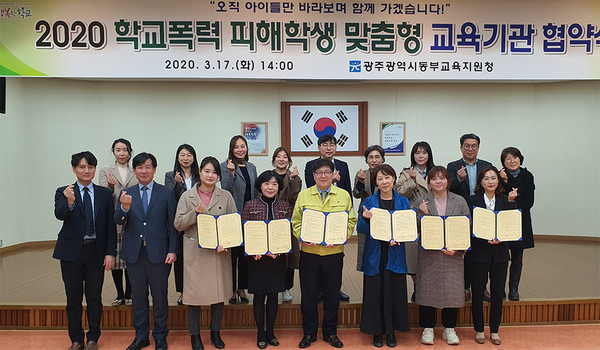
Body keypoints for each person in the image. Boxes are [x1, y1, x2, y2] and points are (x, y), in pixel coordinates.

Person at [53, 151, 116, 350]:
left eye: (90, 167)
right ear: (74, 169)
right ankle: (76, 339)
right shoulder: (63, 191)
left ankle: (93, 338)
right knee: (73, 298)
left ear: (95, 169)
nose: (86, 171)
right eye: (81, 167)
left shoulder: (105, 194)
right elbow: (59, 215)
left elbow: (110, 226)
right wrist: (70, 202)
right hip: (71, 253)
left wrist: (110, 253)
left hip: (95, 252)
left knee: (94, 297)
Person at [115, 153, 178, 350]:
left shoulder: (166, 193)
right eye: (140, 167)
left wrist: (173, 250)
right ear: (134, 170)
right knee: (139, 298)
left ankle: (160, 336)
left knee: (160, 297)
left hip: (159, 253)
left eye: (148, 167)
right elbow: (118, 220)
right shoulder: (127, 193)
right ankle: (141, 336)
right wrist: (124, 209)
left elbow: (172, 225)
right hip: (135, 254)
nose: (144, 171)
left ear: (154, 169)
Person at [292, 158, 357, 349]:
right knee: (309, 294)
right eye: (319, 173)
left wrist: (340, 237)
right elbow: (296, 221)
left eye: (327, 172)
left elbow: (350, 221)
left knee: (332, 294)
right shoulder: (304, 196)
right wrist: (302, 237)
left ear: (333, 174)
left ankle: (330, 333)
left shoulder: (343, 195)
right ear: (313, 176)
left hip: (334, 253)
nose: (323, 176)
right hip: (309, 253)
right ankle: (309, 333)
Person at [174, 156, 236, 350]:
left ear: (219, 176)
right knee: (194, 298)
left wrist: (226, 243)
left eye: (215, 172)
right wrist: (195, 213)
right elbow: (178, 224)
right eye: (207, 171)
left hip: (219, 252)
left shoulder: (226, 196)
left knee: (218, 296)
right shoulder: (187, 196)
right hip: (195, 253)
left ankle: (215, 332)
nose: (210, 175)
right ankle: (195, 335)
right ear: (199, 172)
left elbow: (233, 225)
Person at [413, 166, 470, 346]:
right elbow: (412, 227)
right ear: (429, 182)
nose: (438, 181)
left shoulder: (459, 201)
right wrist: (423, 214)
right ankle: (428, 328)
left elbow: (466, 226)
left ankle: (449, 328)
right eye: (434, 178)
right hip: (429, 253)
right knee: (427, 288)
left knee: (452, 290)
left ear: (447, 181)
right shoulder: (421, 201)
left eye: (442, 178)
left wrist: (458, 248)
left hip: (453, 254)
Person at [358, 164, 410, 348]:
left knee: (393, 292)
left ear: (394, 179)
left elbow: (407, 228)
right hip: (375, 253)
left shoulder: (403, 202)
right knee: (375, 292)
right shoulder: (370, 202)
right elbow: (361, 229)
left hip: (395, 252)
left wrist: (399, 237)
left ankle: (391, 331)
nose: (384, 182)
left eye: (387, 177)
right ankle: (377, 332)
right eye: (380, 179)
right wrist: (366, 218)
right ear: (376, 182)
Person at [242, 170, 292, 349]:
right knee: (258, 296)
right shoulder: (250, 205)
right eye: (266, 184)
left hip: (277, 258)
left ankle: (270, 332)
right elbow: (245, 231)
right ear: (260, 186)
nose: (270, 187)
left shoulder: (284, 206)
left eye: (274, 184)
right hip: (256, 258)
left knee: (273, 296)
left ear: (278, 187)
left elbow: (287, 232)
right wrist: (253, 250)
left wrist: (279, 250)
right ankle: (260, 333)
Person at [469, 166, 517, 345]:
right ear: (480, 182)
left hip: (500, 254)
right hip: (478, 253)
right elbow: (468, 225)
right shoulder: (472, 200)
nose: (490, 181)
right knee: (477, 293)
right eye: (486, 178)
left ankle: (495, 330)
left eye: (493, 178)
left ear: (498, 181)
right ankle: (479, 329)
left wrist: (512, 203)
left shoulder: (506, 200)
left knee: (498, 293)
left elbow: (512, 225)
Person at [303, 134, 352, 302]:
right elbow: (311, 187)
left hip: (337, 218)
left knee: (335, 258)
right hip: (316, 217)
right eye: (325, 144)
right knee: (316, 260)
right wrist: (331, 181)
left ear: (336, 148)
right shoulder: (310, 165)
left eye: (332, 144)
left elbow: (347, 192)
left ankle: (334, 290)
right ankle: (318, 291)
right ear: (319, 148)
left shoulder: (344, 166)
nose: (329, 148)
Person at [446, 133, 493, 300]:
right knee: (464, 250)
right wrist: (459, 178)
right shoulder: (453, 166)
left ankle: (481, 287)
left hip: (483, 214)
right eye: (467, 146)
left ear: (478, 148)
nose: (470, 149)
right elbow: (448, 188)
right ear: (461, 148)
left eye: (474, 146)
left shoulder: (487, 166)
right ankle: (465, 287)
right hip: (460, 214)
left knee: (483, 251)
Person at [99, 138, 137, 307]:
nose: (122, 153)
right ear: (113, 152)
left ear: (130, 152)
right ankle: (119, 294)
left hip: (133, 219)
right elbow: (102, 197)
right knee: (116, 261)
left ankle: (129, 294)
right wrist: (109, 186)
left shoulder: (136, 171)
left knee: (129, 259)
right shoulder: (106, 171)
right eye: (118, 150)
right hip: (113, 221)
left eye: (125, 150)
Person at [396, 141, 435, 302]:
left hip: (433, 216)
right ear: (413, 155)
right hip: (412, 217)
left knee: (431, 253)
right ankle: (416, 287)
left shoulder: (436, 171)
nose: (420, 156)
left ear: (429, 155)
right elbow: (399, 193)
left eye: (424, 152)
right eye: (417, 153)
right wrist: (412, 181)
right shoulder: (406, 173)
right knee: (412, 256)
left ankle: (429, 286)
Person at [220, 135, 257, 304]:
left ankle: (242, 288)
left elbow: (255, 191)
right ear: (231, 149)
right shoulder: (224, 166)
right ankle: (231, 289)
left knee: (244, 256)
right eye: (236, 147)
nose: (240, 149)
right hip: (232, 216)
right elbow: (225, 189)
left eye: (243, 146)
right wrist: (232, 172)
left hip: (249, 217)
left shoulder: (251, 167)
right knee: (231, 256)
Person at [165, 144, 200, 305]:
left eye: (189, 155)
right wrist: (178, 185)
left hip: (198, 222)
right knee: (180, 259)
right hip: (179, 221)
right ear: (177, 157)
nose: (185, 158)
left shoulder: (199, 176)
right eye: (182, 155)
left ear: (193, 157)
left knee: (196, 258)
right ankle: (182, 291)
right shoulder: (170, 176)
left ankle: (196, 289)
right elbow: (169, 199)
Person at [499, 147, 535, 301]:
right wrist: (506, 183)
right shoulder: (499, 176)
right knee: (501, 258)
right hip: (503, 221)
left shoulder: (527, 176)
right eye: (508, 158)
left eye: (515, 157)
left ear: (520, 159)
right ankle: (499, 289)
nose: (512, 161)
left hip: (521, 221)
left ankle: (514, 289)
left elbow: (529, 202)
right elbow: (500, 199)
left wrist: (513, 200)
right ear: (503, 161)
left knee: (517, 258)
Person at [272, 146, 302, 302]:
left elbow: (293, 198)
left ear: (289, 161)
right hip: (271, 220)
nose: (281, 159)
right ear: (274, 159)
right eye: (278, 156)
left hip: (288, 221)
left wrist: (292, 180)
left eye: (284, 157)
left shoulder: (295, 177)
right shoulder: (268, 176)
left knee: (290, 257)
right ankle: (274, 286)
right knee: (273, 256)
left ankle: (286, 288)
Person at [353, 145, 385, 272]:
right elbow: (356, 194)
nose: (374, 160)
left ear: (383, 159)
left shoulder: (387, 174)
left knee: (381, 251)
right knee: (365, 250)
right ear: (366, 160)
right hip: (365, 217)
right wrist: (360, 182)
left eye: (377, 157)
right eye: (370, 157)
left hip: (382, 216)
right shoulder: (361, 174)